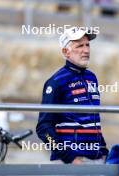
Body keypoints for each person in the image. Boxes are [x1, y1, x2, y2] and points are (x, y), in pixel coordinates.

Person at [36, 27, 109, 164]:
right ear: (66, 51)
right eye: (79, 46)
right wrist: (69, 157)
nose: (86, 50)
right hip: (70, 162)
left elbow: (93, 122)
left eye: (87, 45)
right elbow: (43, 128)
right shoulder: (56, 82)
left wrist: (104, 151)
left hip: (96, 159)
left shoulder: (91, 77)